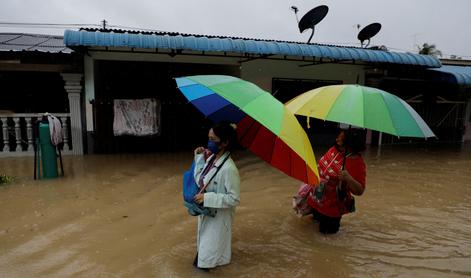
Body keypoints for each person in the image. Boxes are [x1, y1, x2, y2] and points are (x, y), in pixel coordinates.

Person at [192, 122, 240, 271]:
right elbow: (200, 180)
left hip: (218, 219)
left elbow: (234, 198)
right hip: (207, 215)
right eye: (209, 138)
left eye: (213, 139)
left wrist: (208, 198)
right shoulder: (211, 159)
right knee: (203, 258)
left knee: (205, 262)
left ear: (224, 143)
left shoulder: (229, 169)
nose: (209, 142)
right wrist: (199, 158)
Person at [305, 128, 366, 234]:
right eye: (338, 136)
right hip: (316, 199)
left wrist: (348, 178)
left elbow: (360, 191)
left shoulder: (357, 162)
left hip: (331, 209)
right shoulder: (334, 149)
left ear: (349, 144)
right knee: (311, 229)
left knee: (326, 239)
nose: (337, 139)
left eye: (341, 139)